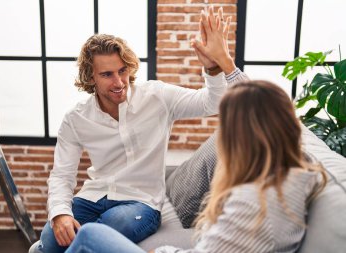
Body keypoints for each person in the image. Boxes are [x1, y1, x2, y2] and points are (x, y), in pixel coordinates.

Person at [61, 6, 327, 253]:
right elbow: (261, 106)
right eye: (107, 74)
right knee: (66, 238)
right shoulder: (300, 173)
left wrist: (161, 251)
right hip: (99, 197)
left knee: (88, 237)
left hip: (148, 211)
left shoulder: (249, 201)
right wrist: (223, 64)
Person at [36, 5, 248, 253]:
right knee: (51, 238)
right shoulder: (76, 118)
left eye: (122, 71)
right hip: (92, 197)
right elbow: (62, 174)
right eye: (107, 75)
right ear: (90, 77)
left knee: (110, 227)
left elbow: (213, 103)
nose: (118, 82)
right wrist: (60, 213)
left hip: (140, 203)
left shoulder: (156, 96)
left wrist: (213, 69)